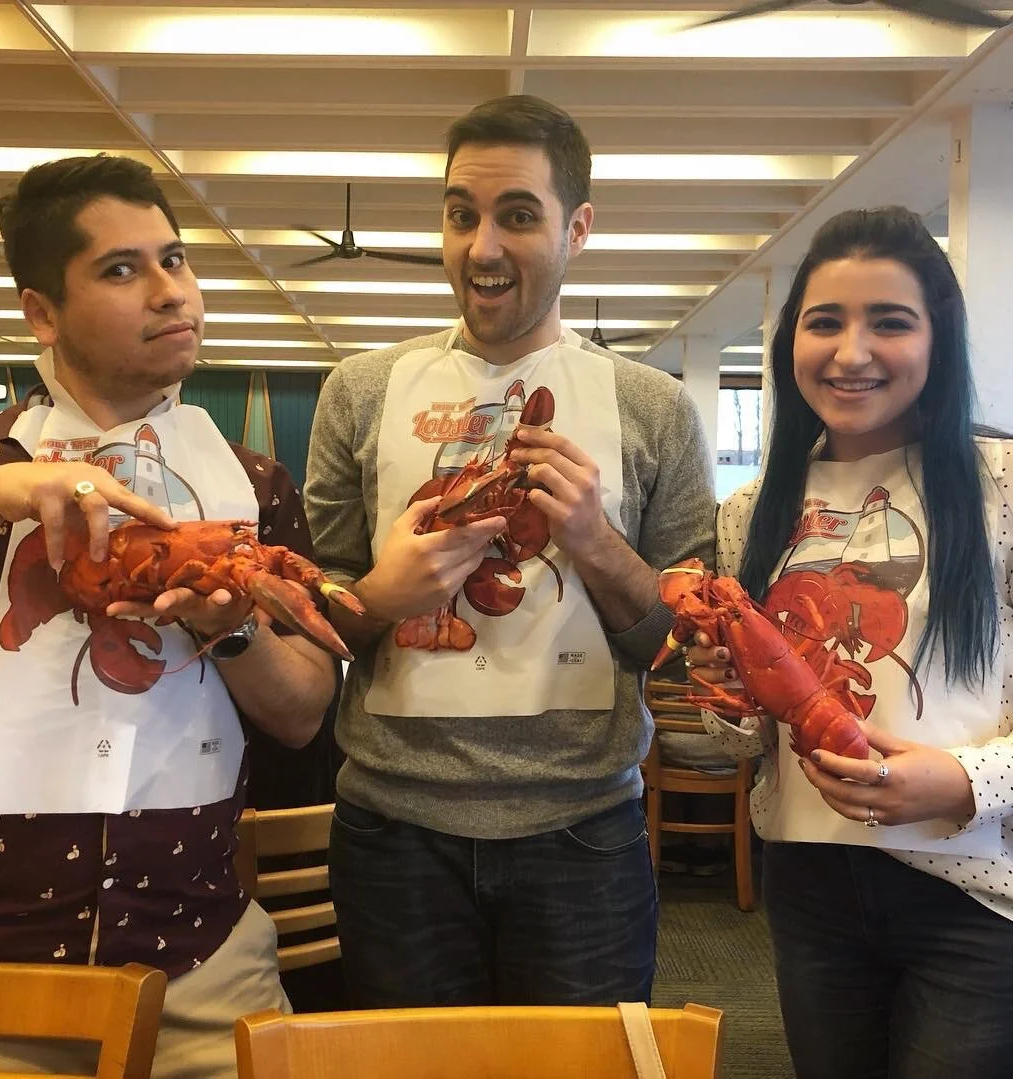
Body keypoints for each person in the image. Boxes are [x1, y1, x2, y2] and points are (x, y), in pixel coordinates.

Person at [304, 94, 716, 1007]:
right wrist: (381, 596)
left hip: (585, 831)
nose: (482, 247)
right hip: (392, 829)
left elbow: (678, 644)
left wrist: (595, 542)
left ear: (578, 228)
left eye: (519, 216)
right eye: (462, 215)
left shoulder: (655, 408)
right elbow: (313, 609)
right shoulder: (356, 391)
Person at [0, 155, 338, 1078]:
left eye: (175, 259)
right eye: (121, 269)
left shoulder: (255, 486)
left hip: (202, 953)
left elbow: (304, 712)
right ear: (42, 312)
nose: (170, 291)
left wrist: (231, 629)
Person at [686, 205, 1013, 1078]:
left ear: (938, 338)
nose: (851, 352)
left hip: (977, 893)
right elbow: (744, 739)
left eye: (890, 322)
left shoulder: (1004, 486)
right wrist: (722, 689)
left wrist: (965, 779)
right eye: (824, 321)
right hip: (811, 883)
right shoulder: (751, 511)